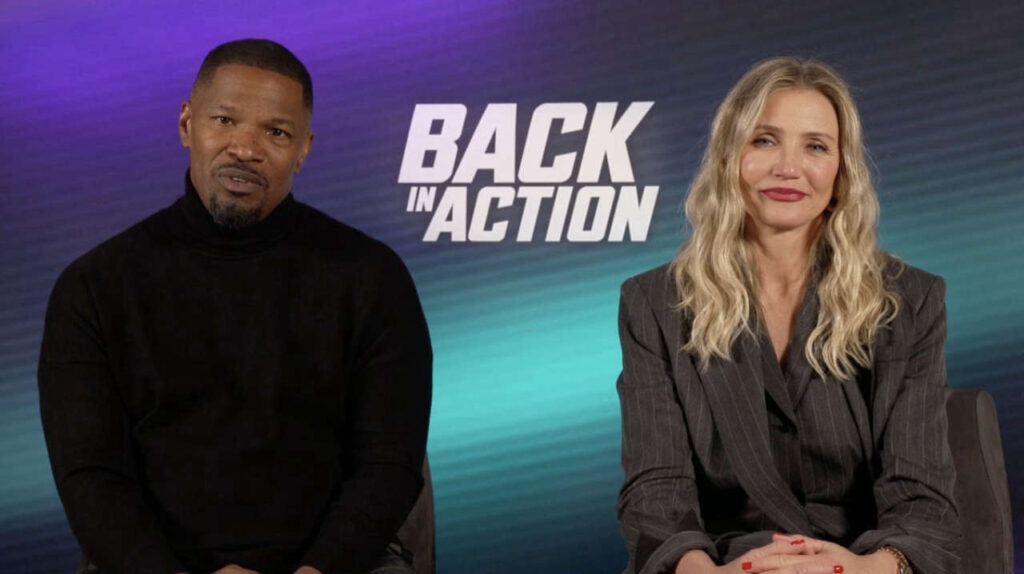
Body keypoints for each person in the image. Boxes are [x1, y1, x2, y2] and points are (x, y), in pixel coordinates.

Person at [38, 39, 432, 574]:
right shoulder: (93, 287)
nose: (245, 148)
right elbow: (91, 477)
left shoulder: (373, 277)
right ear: (187, 124)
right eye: (224, 120)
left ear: (304, 150)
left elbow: (390, 465)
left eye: (276, 132)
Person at [616, 57, 960, 574]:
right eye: (764, 140)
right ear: (729, 157)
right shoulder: (654, 303)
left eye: (815, 147)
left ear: (842, 172)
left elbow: (921, 493)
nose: (788, 167)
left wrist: (865, 568)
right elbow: (656, 490)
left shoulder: (911, 300)